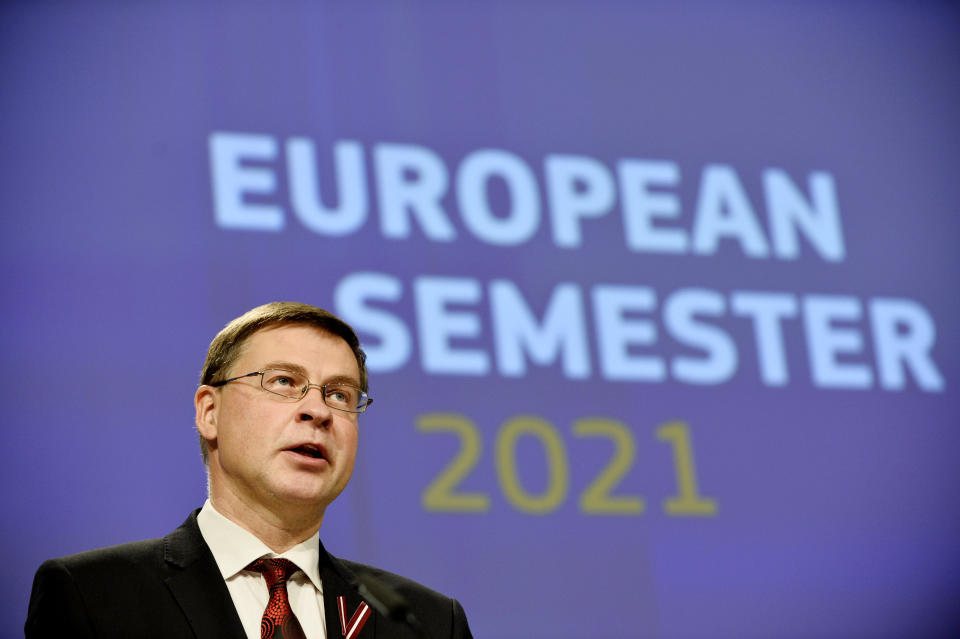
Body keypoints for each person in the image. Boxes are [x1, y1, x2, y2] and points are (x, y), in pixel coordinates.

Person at [25, 302, 473, 639]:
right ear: (209, 412)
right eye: (283, 382)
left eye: (339, 394)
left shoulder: (426, 623)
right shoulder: (94, 595)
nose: (318, 410)